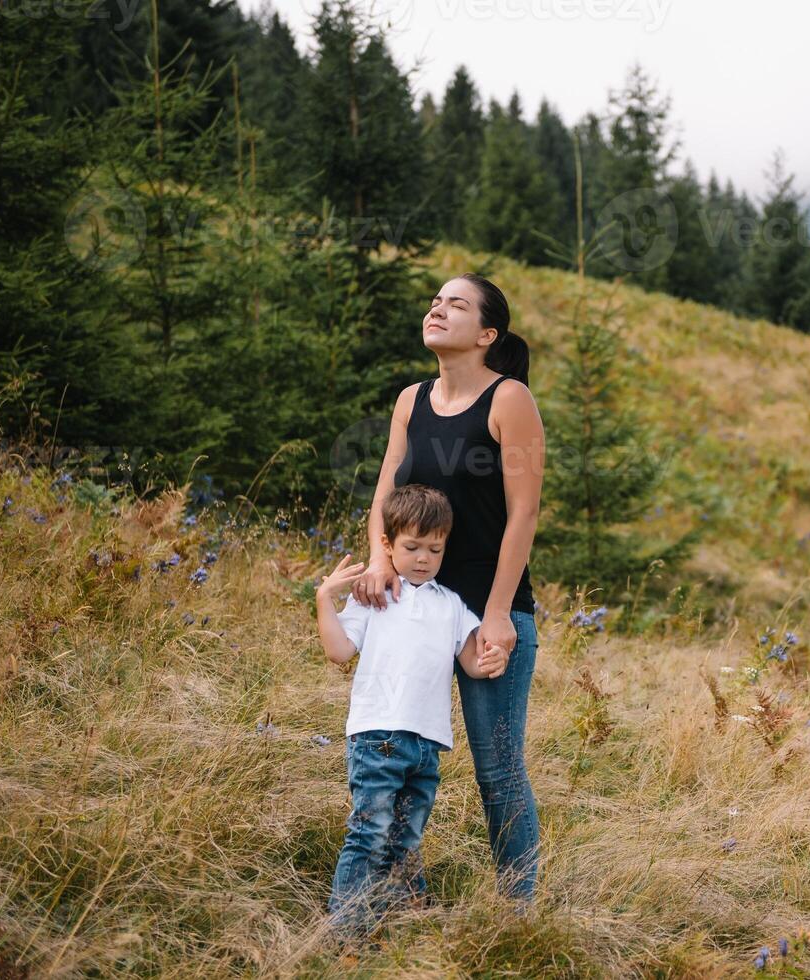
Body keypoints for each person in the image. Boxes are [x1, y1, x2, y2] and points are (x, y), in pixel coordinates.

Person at [350, 272, 546, 905]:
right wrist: (378, 559)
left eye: (456, 304)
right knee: (398, 755)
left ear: (487, 334)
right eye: (436, 300)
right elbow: (386, 494)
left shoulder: (509, 399)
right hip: (414, 608)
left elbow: (524, 514)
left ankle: (520, 911)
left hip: (488, 613)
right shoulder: (411, 400)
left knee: (497, 769)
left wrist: (496, 615)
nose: (437, 309)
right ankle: (405, 896)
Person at [314, 483, 509, 942]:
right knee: (369, 834)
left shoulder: (452, 605)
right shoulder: (374, 597)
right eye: (412, 547)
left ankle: (402, 927)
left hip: (427, 745)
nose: (423, 558)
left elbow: (472, 662)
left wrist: (492, 658)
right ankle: (346, 933)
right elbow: (339, 651)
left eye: (434, 549)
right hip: (377, 737)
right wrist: (324, 600)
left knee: (406, 841)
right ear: (387, 544)